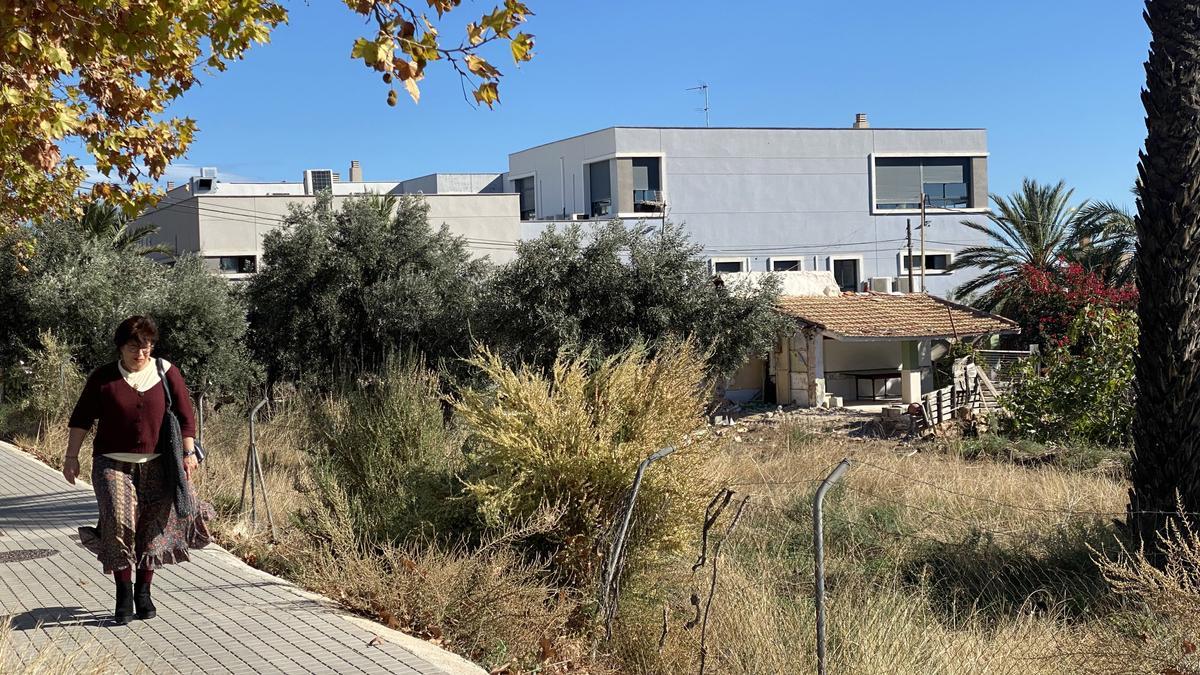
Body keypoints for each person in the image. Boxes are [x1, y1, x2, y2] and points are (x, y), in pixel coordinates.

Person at [63, 315, 210, 625]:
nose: (141, 354)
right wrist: (71, 456)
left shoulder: (166, 372)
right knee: (118, 523)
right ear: (120, 347)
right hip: (112, 463)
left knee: (150, 530)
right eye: (134, 347)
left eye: (147, 347)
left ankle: (144, 592)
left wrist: (188, 452)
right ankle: (123, 593)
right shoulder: (103, 378)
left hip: (159, 464)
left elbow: (185, 417)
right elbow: (81, 419)